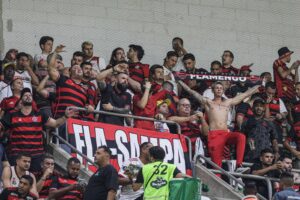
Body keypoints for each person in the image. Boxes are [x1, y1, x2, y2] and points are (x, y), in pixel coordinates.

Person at [179, 80, 259, 169]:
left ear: (223, 90)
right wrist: (181, 82)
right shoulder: (208, 102)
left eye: (221, 88)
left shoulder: (227, 103)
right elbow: (192, 92)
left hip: (226, 133)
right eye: (217, 88)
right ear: (213, 90)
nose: (219, 90)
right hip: (214, 135)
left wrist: (257, 86)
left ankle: (239, 165)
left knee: (241, 137)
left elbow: (244, 95)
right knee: (217, 166)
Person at [0, 88, 78, 172]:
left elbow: (55, 123)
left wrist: (65, 116)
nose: (28, 96)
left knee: (34, 180)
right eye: (25, 95)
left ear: (32, 99)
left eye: (30, 95)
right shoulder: (12, 115)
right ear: (21, 100)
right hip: (17, 155)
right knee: (16, 180)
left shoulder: (40, 114)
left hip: (36, 155)